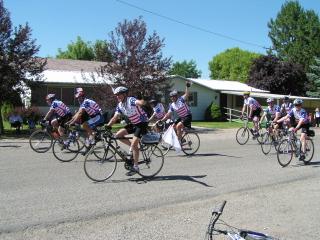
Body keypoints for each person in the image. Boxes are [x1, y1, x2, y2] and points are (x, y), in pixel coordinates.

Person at [106, 86, 149, 176]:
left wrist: (143, 98)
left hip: (142, 123)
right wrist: (108, 126)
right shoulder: (120, 105)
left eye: (119, 95)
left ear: (125, 94)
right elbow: (115, 117)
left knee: (134, 144)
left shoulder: (131, 100)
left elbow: (140, 103)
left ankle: (136, 167)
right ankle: (134, 149)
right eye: (116, 95)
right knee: (118, 135)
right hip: (134, 124)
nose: (117, 97)